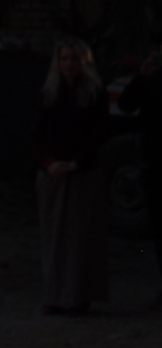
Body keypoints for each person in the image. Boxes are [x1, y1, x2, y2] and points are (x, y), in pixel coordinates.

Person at [33, 39, 109, 316]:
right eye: (64, 59)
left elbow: (98, 132)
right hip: (53, 172)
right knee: (54, 237)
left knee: (81, 238)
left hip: (82, 171)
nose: (69, 65)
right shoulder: (49, 93)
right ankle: (55, 295)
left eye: (74, 59)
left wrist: (76, 162)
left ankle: (78, 296)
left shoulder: (93, 94)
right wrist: (51, 163)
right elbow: (38, 134)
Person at [117, 41, 162, 308]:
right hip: (155, 166)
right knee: (158, 231)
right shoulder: (151, 78)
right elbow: (125, 105)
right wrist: (142, 77)